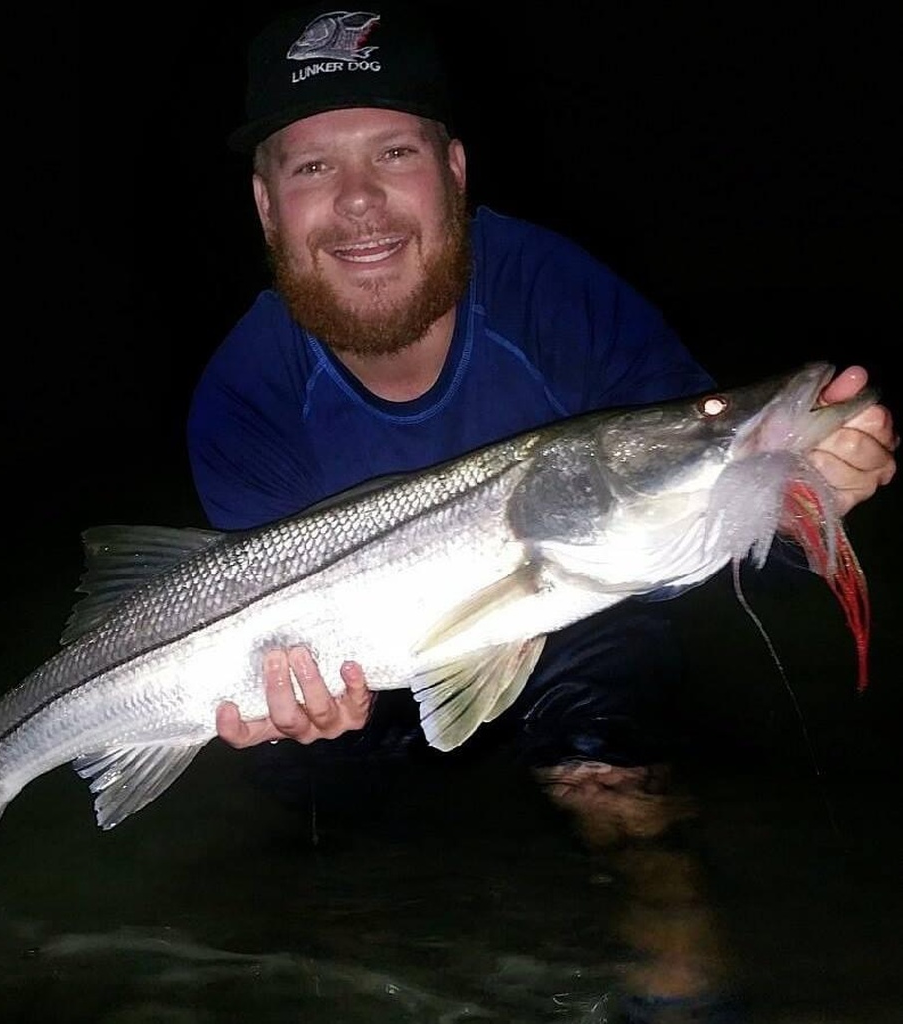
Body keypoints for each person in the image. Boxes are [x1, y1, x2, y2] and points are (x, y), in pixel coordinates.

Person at [186, 3, 897, 1018]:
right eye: (310, 168)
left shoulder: (563, 295)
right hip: (353, 661)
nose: (358, 203)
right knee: (310, 795)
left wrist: (798, 503)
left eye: (394, 150)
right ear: (264, 207)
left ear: (455, 171)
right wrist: (294, 719)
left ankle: (683, 996)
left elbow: (708, 515)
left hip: (577, 610)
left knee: (622, 785)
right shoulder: (242, 395)